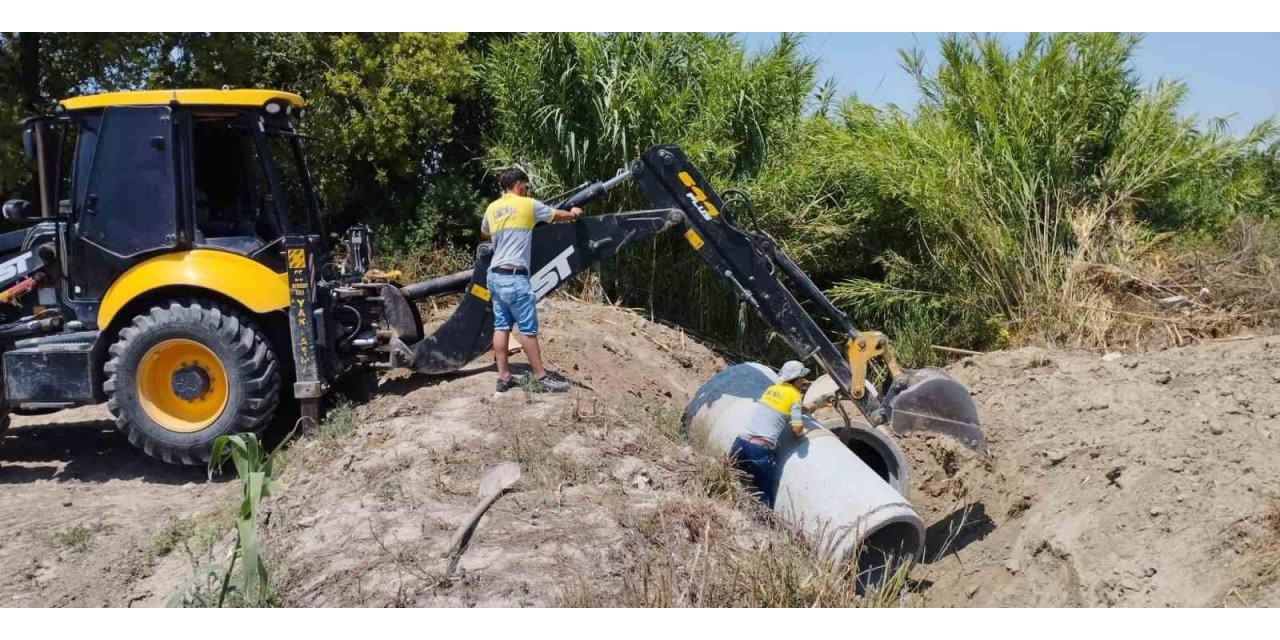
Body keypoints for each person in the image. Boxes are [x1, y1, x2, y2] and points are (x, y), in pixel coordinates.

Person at [482, 167, 583, 393]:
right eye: (525, 185)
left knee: (501, 325)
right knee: (527, 328)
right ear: (519, 184)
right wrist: (574, 213)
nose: (526, 188)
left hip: (495, 276)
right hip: (515, 278)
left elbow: (485, 232)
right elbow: (557, 215)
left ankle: (504, 377)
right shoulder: (528, 204)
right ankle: (540, 377)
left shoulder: (492, 208)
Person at [730, 360, 833, 507]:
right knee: (764, 498)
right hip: (759, 451)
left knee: (730, 485)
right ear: (797, 380)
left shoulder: (772, 389)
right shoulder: (794, 397)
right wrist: (806, 432)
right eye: (802, 379)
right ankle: (763, 525)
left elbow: (789, 409)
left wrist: (817, 402)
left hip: (739, 444)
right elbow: (796, 430)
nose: (803, 382)